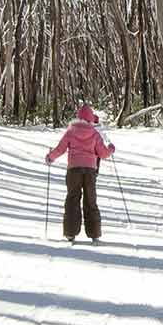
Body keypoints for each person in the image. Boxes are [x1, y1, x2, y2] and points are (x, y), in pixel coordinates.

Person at [46, 104, 116, 244]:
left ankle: (70, 233)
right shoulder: (95, 134)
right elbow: (102, 153)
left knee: (72, 199)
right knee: (90, 200)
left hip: (73, 170)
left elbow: (60, 148)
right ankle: (94, 234)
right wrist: (111, 149)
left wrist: (50, 157)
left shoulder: (71, 131)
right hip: (90, 171)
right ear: (91, 119)